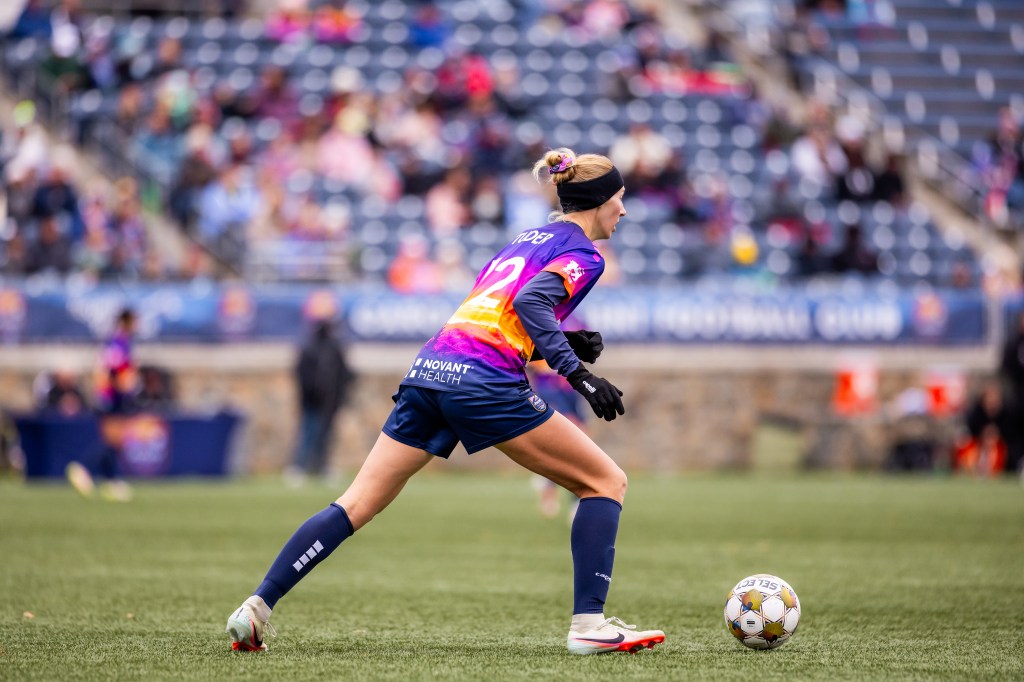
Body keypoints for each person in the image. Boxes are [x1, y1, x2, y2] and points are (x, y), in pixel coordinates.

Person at [225, 147, 665, 655]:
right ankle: (589, 624)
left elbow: (495, 316)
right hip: (482, 382)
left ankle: (256, 607)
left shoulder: (525, 239)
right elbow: (529, 302)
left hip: (430, 370)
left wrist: (557, 344)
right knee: (605, 481)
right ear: (598, 201)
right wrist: (577, 374)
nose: (623, 210)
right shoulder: (586, 254)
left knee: (356, 502)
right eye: (620, 198)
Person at [65, 307, 138, 502]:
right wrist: (123, 388)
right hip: (114, 397)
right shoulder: (119, 343)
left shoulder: (113, 342)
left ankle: (111, 480)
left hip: (109, 395)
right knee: (113, 439)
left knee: (114, 440)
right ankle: (84, 467)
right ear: (126, 322)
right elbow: (114, 372)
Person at [287, 319, 354, 482]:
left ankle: (320, 466)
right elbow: (302, 375)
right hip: (312, 401)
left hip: (329, 402)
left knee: (325, 435)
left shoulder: (333, 349)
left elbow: (344, 374)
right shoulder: (311, 348)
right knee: (309, 433)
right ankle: (300, 466)